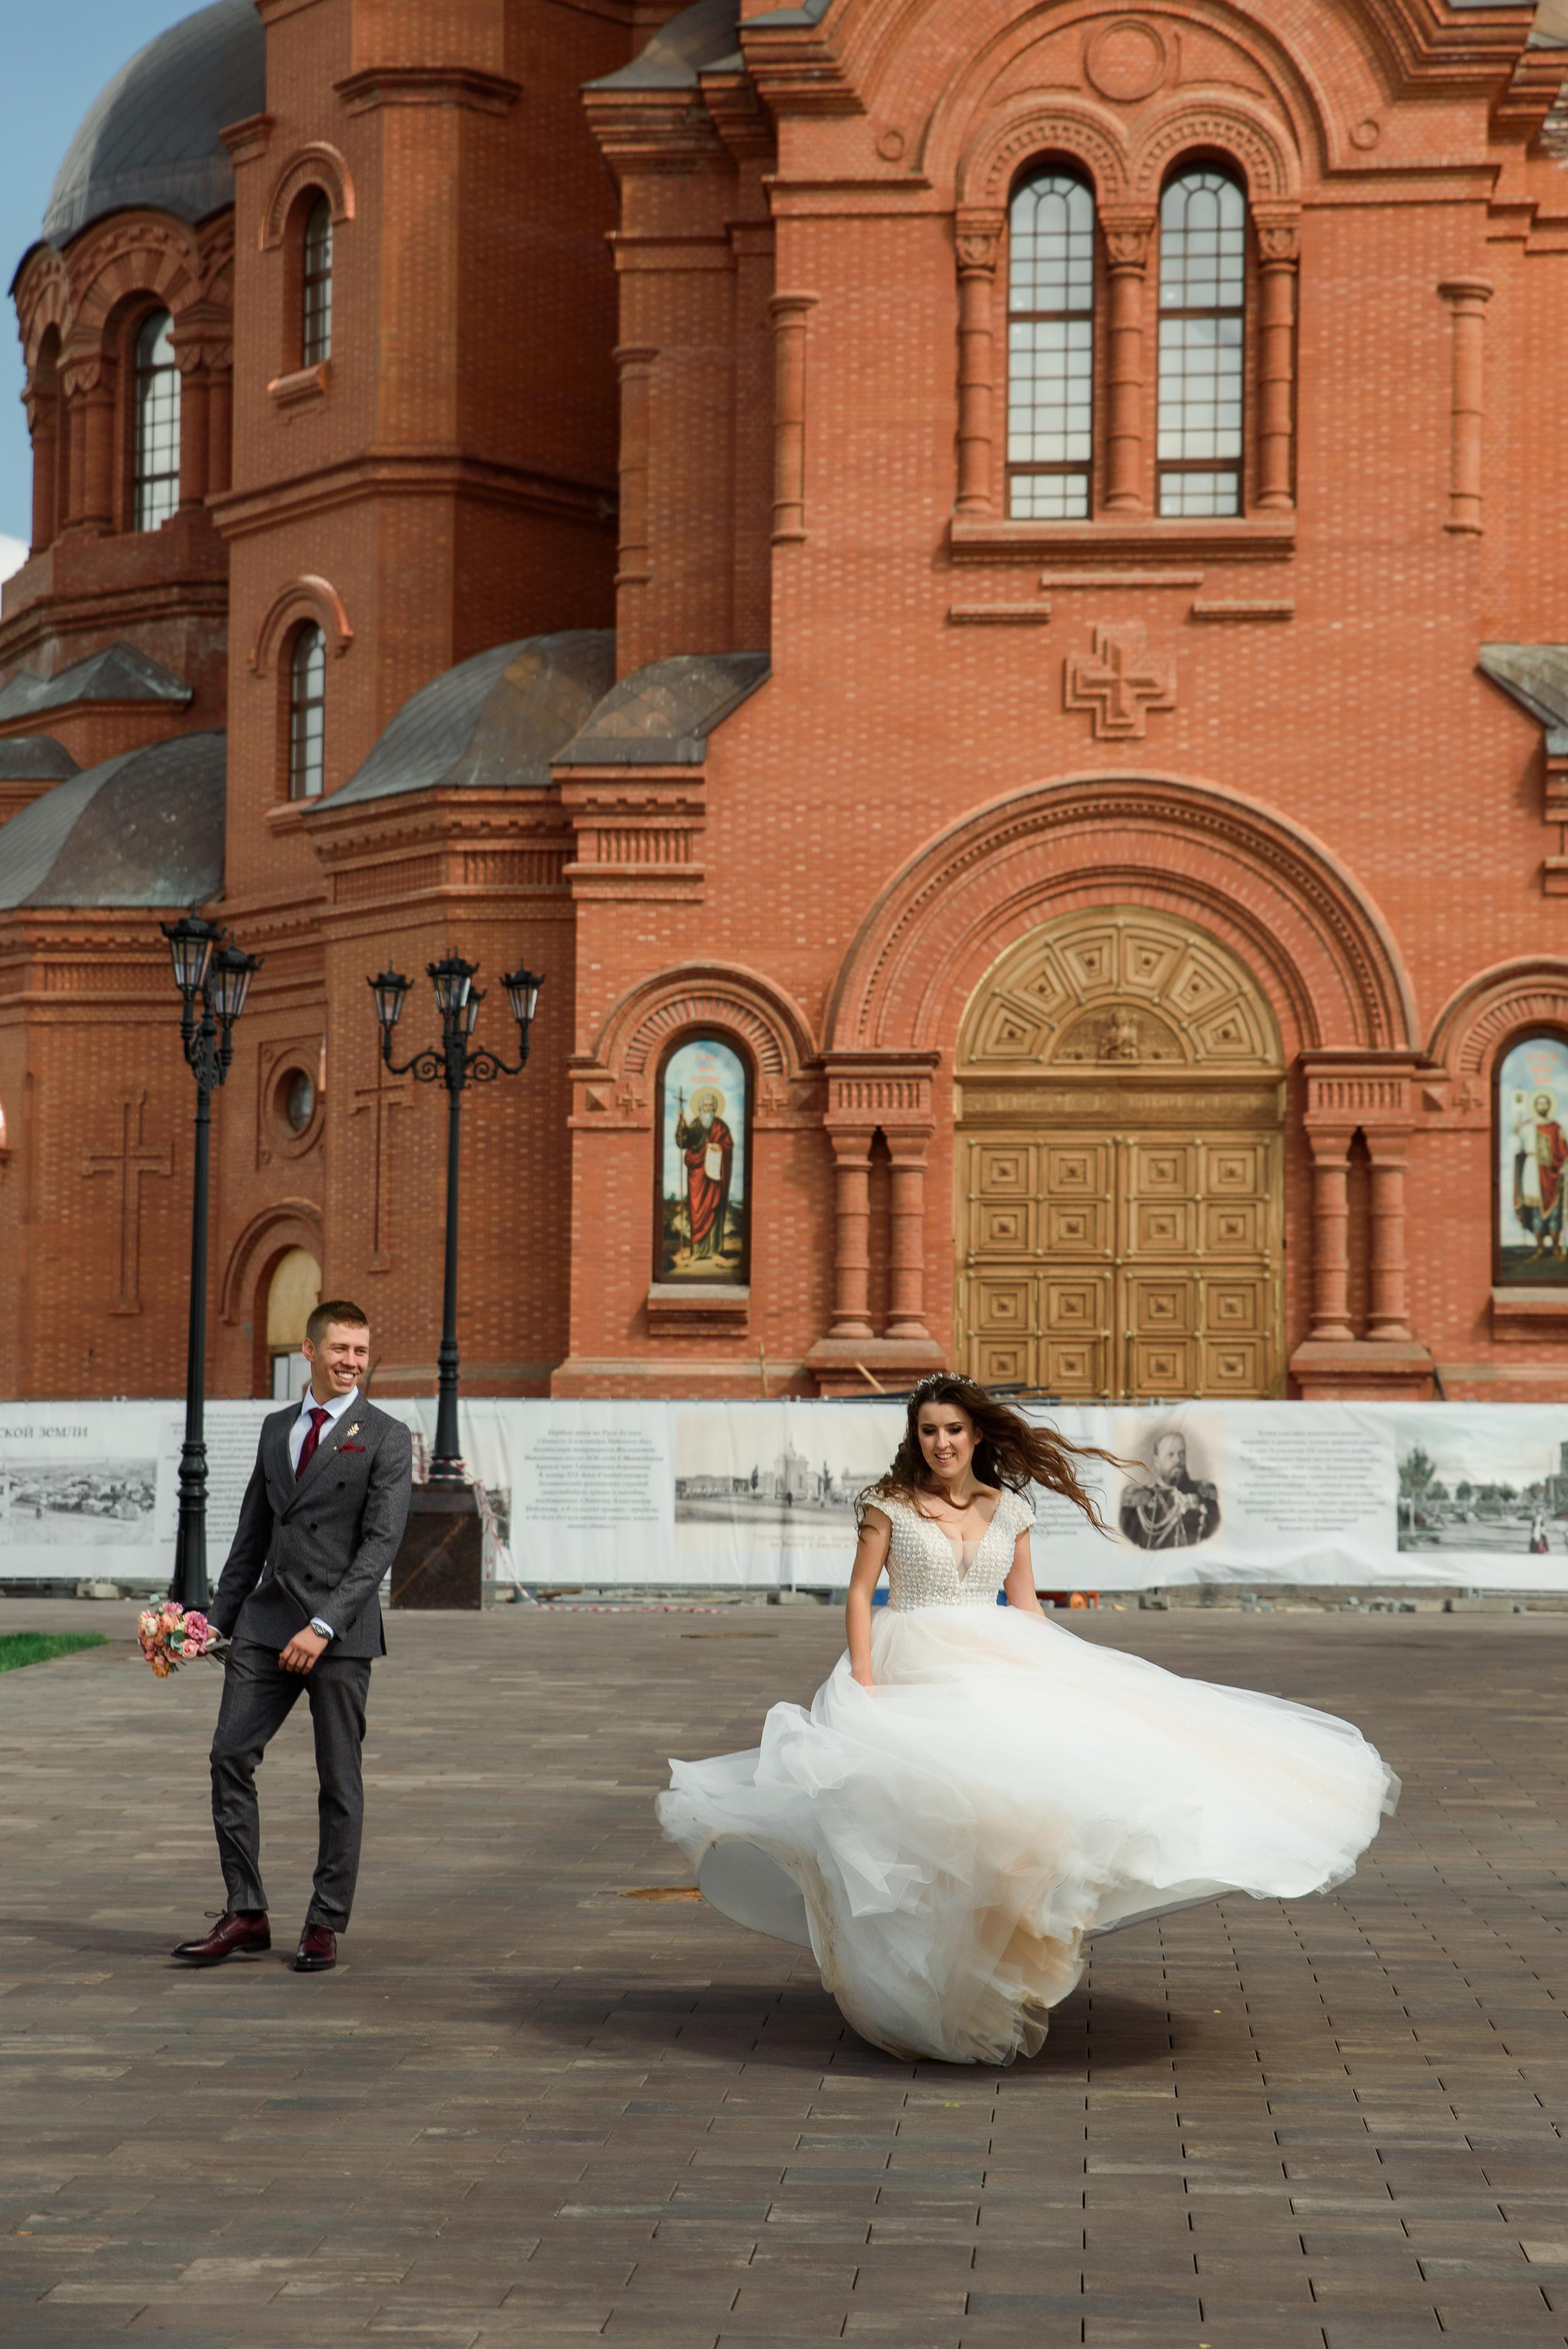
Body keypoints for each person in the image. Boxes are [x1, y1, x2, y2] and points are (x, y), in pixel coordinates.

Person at [658, 1374, 1398, 2067]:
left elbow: (1025, 1606)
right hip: (908, 1660)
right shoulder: (886, 1503)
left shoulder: (1009, 1509)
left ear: (977, 1434)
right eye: (927, 1432)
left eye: (951, 1430)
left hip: (990, 1662)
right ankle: (915, 1990)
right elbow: (860, 1595)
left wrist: (1062, 1677)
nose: (939, 1444)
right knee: (912, 1819)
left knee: (1012, 1816)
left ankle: (985, 1977)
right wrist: (866, 1681)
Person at [172, 1301, 412, 1973]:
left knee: (339, 1782)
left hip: (339, 1631)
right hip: (267, 1620)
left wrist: (324, 1625)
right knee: (229, 1756)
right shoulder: (278, 1428)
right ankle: (246, 1911)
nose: (351, 1362)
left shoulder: (386, 1436)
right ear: (309, 1351)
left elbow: (380, 1547)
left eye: (361, 1351)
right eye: (339, 1349)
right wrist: (214, 1624)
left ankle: (324, 1922)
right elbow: (253, 1534)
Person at [1119, 1428, 1221, 1549]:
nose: (1178, 1460)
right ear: (1157, 1462)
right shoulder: (1138, 1500)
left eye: (1181, 1453)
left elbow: (1212, 1541)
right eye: (1171, 1455)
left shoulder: (1204, 1495)